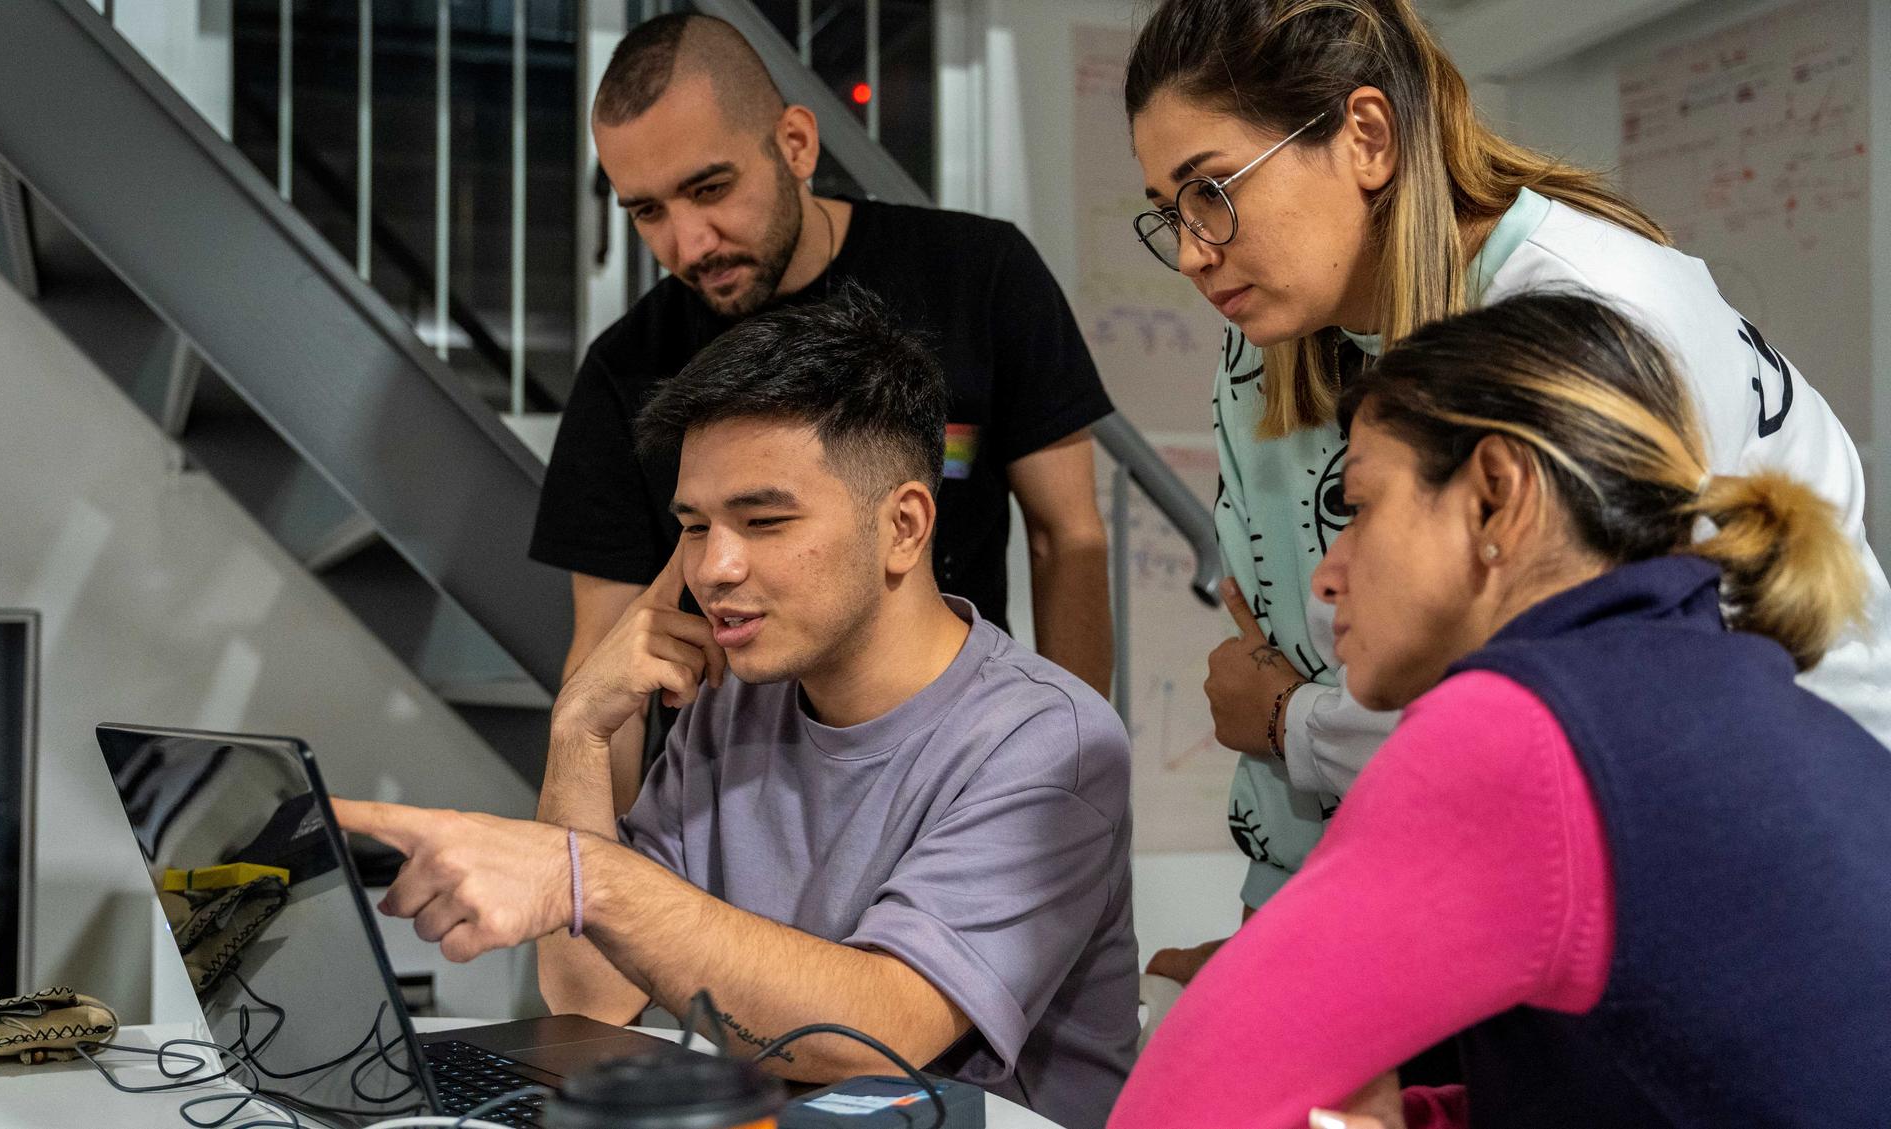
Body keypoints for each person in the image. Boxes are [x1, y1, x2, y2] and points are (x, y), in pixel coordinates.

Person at [1122, 0, 1891, 977]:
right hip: (1469, 884)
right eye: (1167, 212)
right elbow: (1311, 658)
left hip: (1749, 876)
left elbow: (1566, 724)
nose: (1192, 250)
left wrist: (1292, 727)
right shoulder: (1274, 329)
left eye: (1212, 190)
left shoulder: (1584, 319)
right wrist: (1276, 938)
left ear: (1366, 137)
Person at [342, 290, 1140, 1129]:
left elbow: (880, 1029)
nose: (714, 566)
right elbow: (590, 993)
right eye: (693, 526)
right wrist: (580, 727)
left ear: (904, 525)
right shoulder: (738, 704)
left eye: (762, 520)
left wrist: (586, 879)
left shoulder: (1052, 741)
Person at [1110, 292, 1891, 1128]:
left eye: (1359, 505)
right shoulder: (1750, 705)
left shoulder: (1522, 730)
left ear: (1493, 495)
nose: (1327, 574)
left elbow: (1178, 1108)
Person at [533, 12, 1116, 816]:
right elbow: (609, 650)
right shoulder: (624, 367)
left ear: (797, 145)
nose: (689, 241)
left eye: (710, 189)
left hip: (954, 767)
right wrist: (591, 876)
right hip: (727, 799)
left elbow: (1069, 539)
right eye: (647, 212)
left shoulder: (979, 276)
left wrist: (1073, 783)